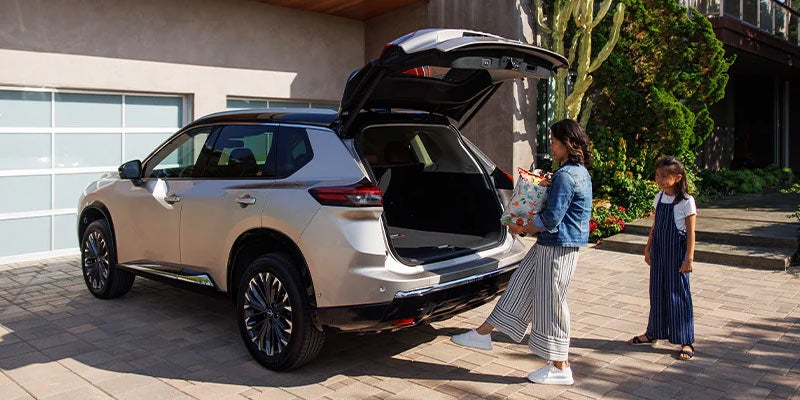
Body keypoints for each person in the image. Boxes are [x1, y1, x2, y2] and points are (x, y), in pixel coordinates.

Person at [450, 119, 592, 385]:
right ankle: (483, 333)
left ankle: (560, 366)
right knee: (519, 285)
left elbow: (551, 219)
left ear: (567, 143)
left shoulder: (566, 175)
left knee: (550, 303)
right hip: (554, 245)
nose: (551, 147)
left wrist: (521, 227)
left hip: (557, 246)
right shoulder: (578, 171)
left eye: (554, 142)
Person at [626, 156, 696, 360]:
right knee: (656, 292)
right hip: (659, 250)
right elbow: (655, 225)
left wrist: (689, 259)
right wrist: (648, 247)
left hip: (676, 252)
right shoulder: (659, 197)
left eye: (664, 176)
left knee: (678, 294)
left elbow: (691, 233)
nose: (660, 180)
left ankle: (686, 340)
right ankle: (653, 332)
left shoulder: (686, 201)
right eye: (657, 175)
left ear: (678, 177)